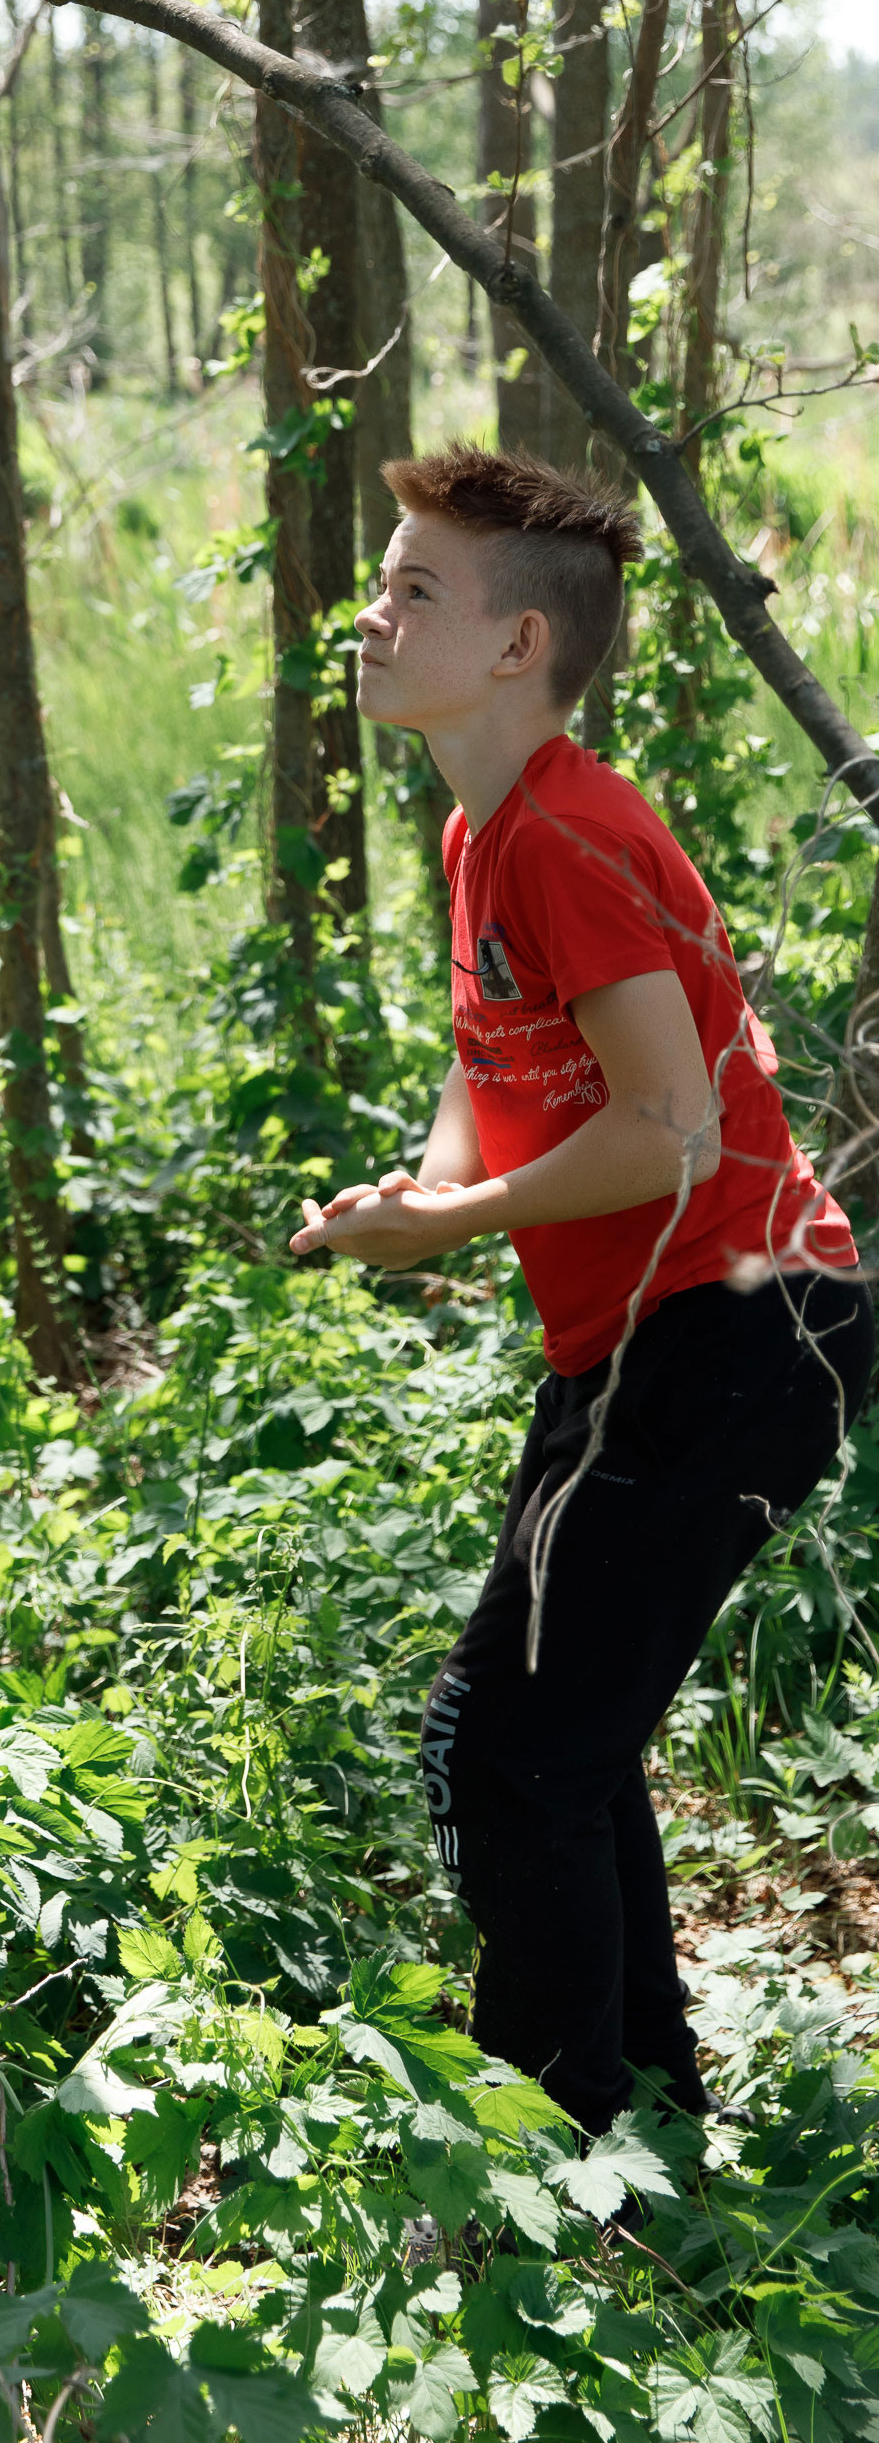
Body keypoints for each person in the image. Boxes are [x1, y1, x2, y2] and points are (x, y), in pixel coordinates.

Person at [291, 443, 866, 2139]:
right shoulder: (497, 831)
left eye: (416, 592)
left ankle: (563, 2166)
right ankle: (638, 2128)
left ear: (516, 646)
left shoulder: (562, 833)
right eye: (382, 580)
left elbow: (673, 1130)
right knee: (562, 1742)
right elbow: (503, 1061)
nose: (374, 615)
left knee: (504, 1751)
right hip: (667, 1339)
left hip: (740, 1324)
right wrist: (429, 1184)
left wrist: (455, 1233)